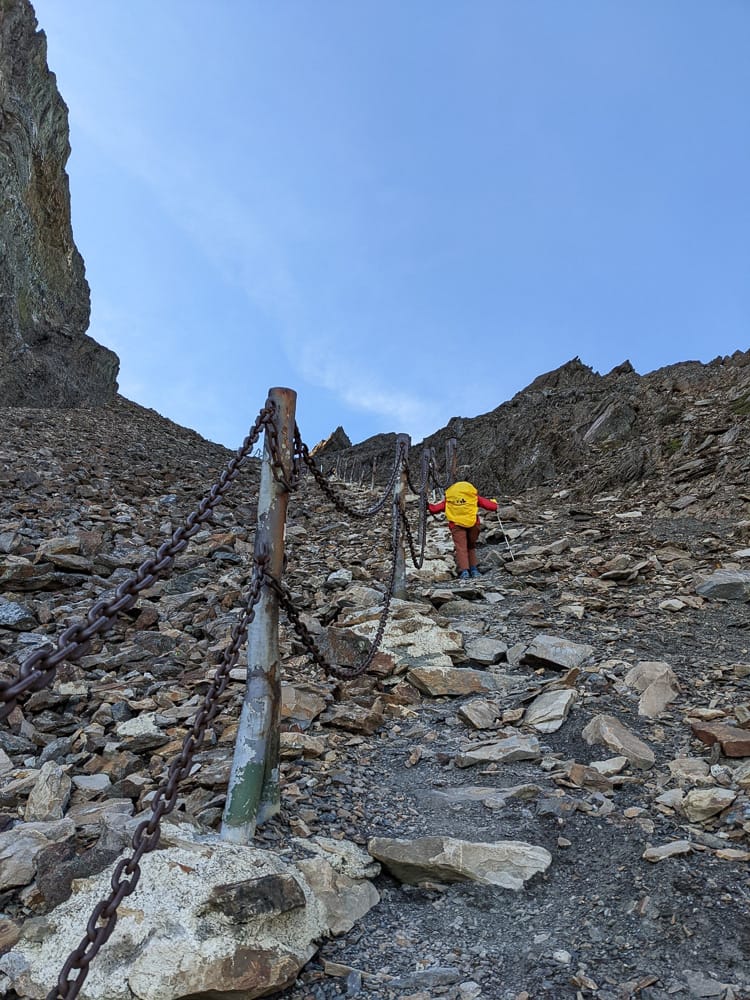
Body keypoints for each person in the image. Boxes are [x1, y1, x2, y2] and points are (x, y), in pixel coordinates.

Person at [428, 481, 498, 580]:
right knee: (471, 546)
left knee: (461, 548)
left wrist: (427, 505)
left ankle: (464, 571)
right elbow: (492, 506)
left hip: (456, 525)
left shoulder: (450, 500)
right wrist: (494, 503)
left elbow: (434, 509)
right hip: (473, 524)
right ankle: (474, 570)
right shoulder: (473, 497)